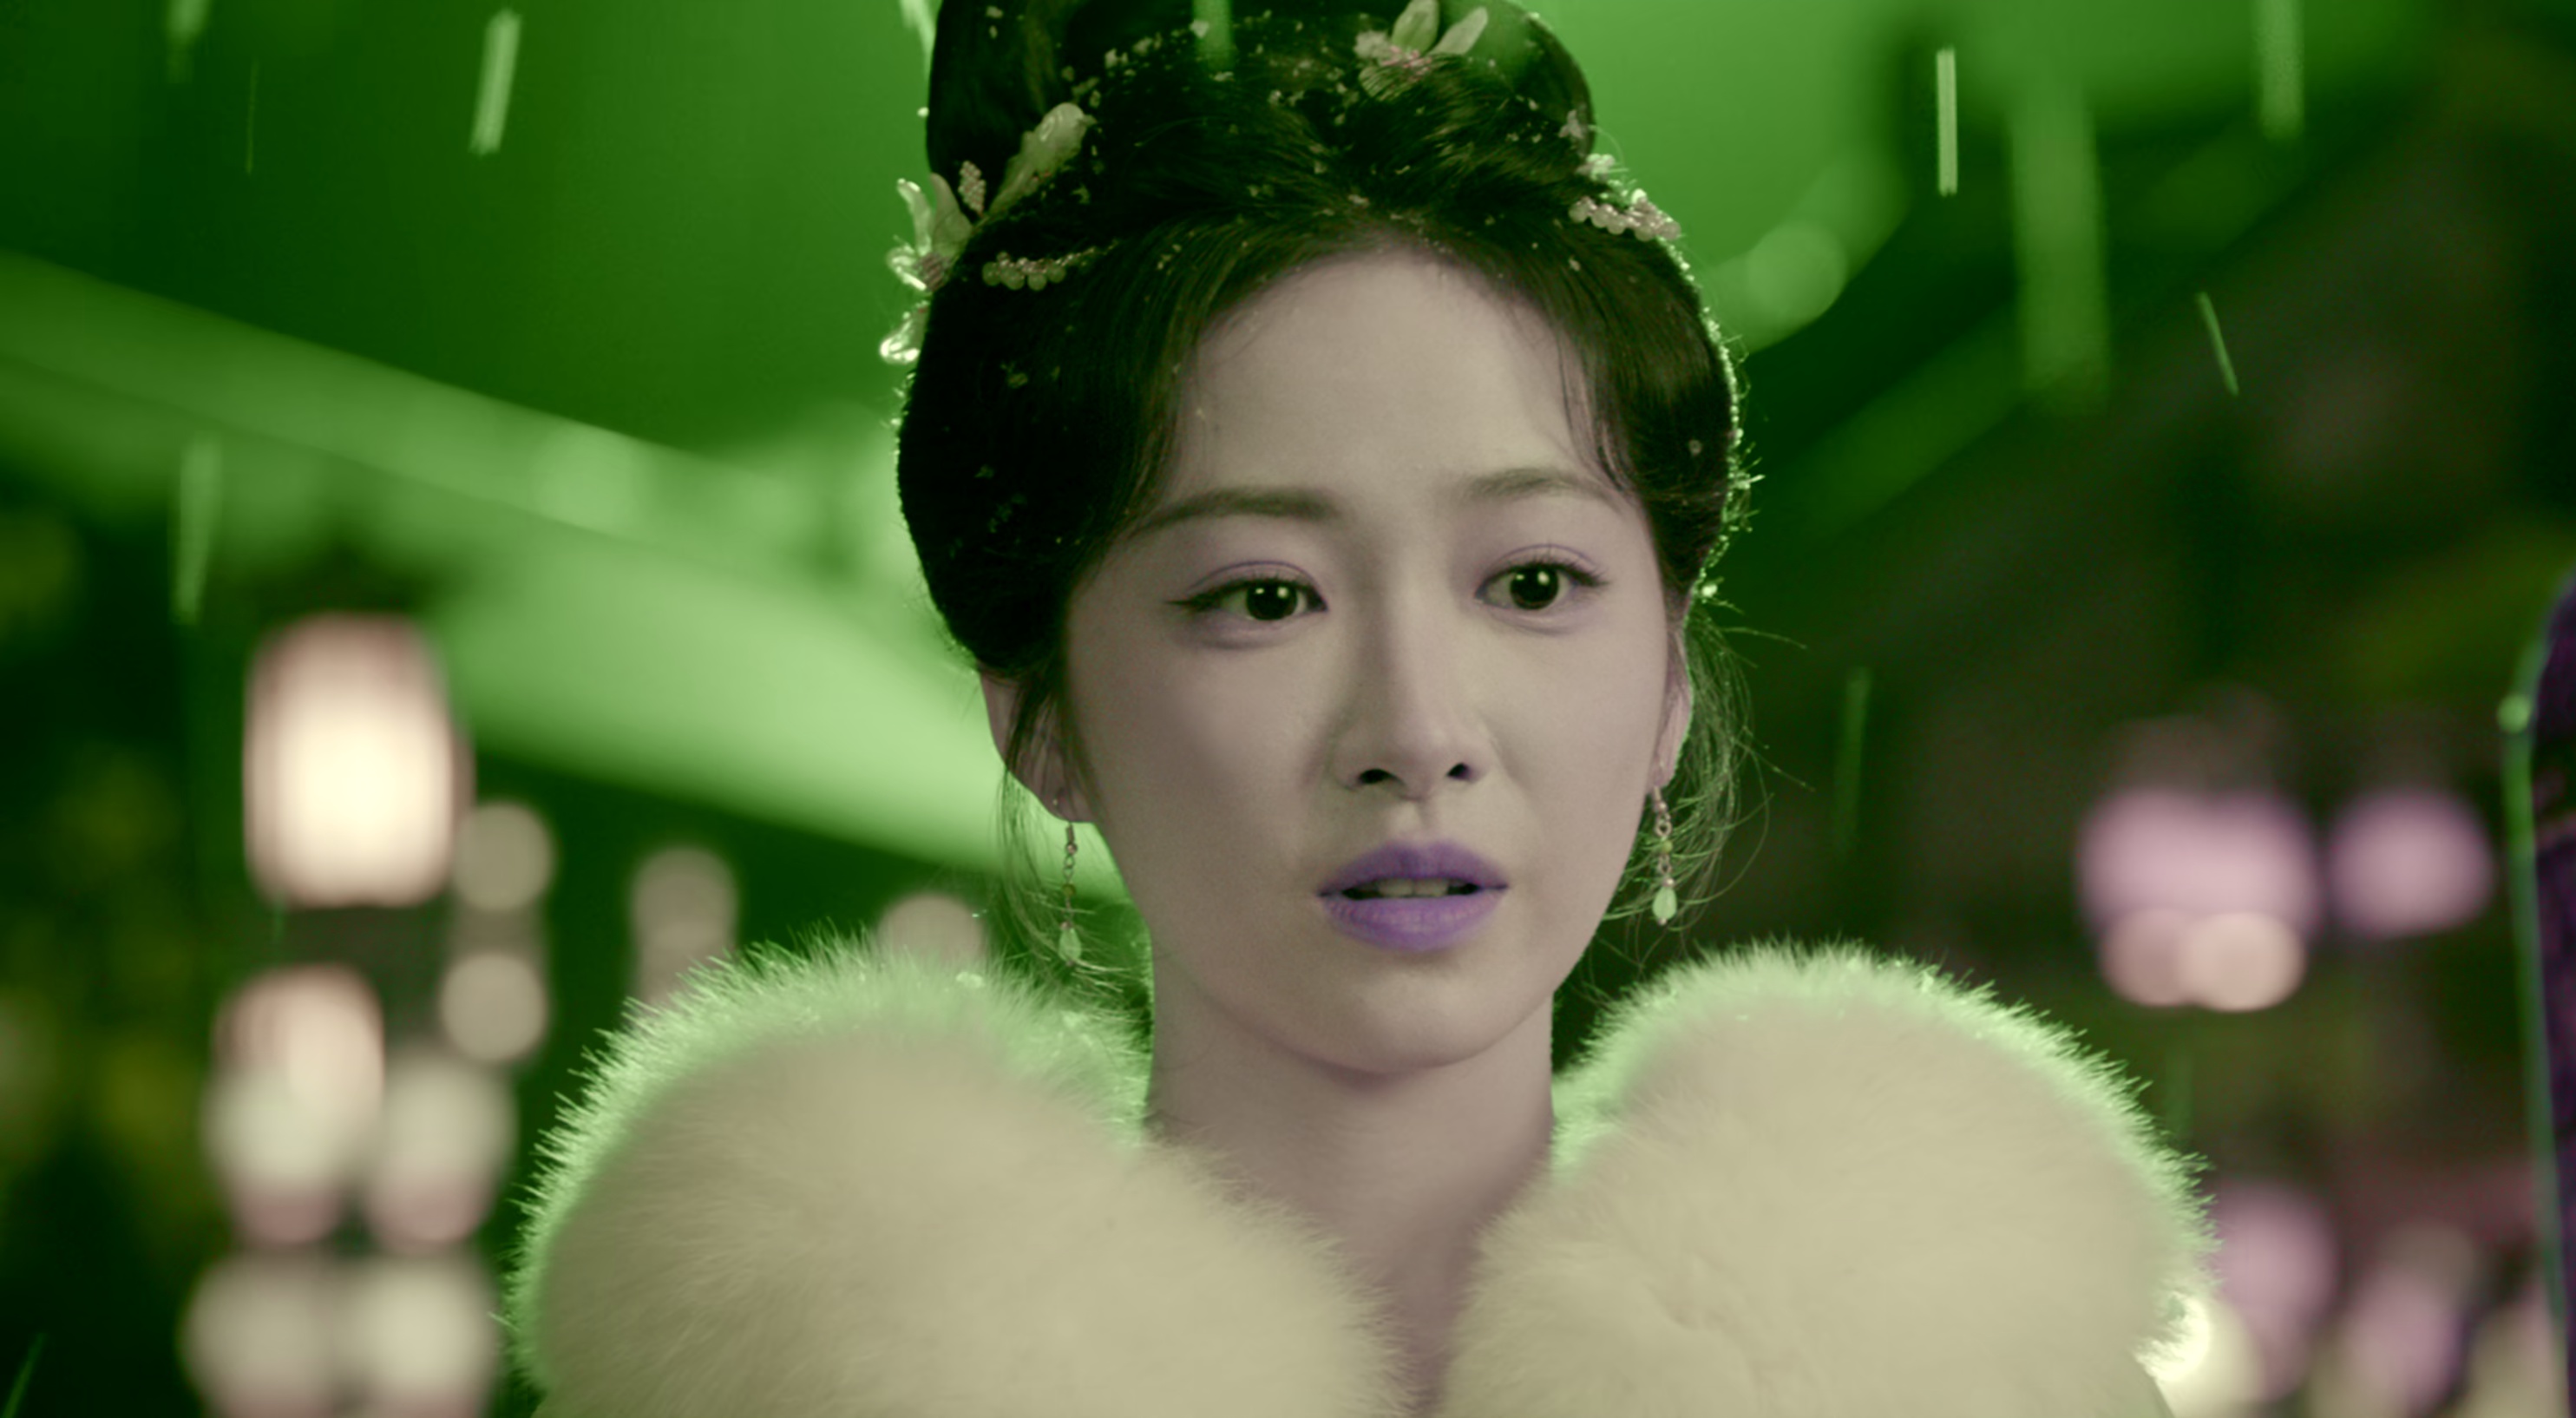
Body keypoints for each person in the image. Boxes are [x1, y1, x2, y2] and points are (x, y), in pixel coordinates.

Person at [499, 3, 2208, 1414]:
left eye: (1530, 581)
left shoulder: (1976, 1377)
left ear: (1673, 684)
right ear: (1043, 716)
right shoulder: (785, 1382)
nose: (1417, 726)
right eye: (1265, 596)